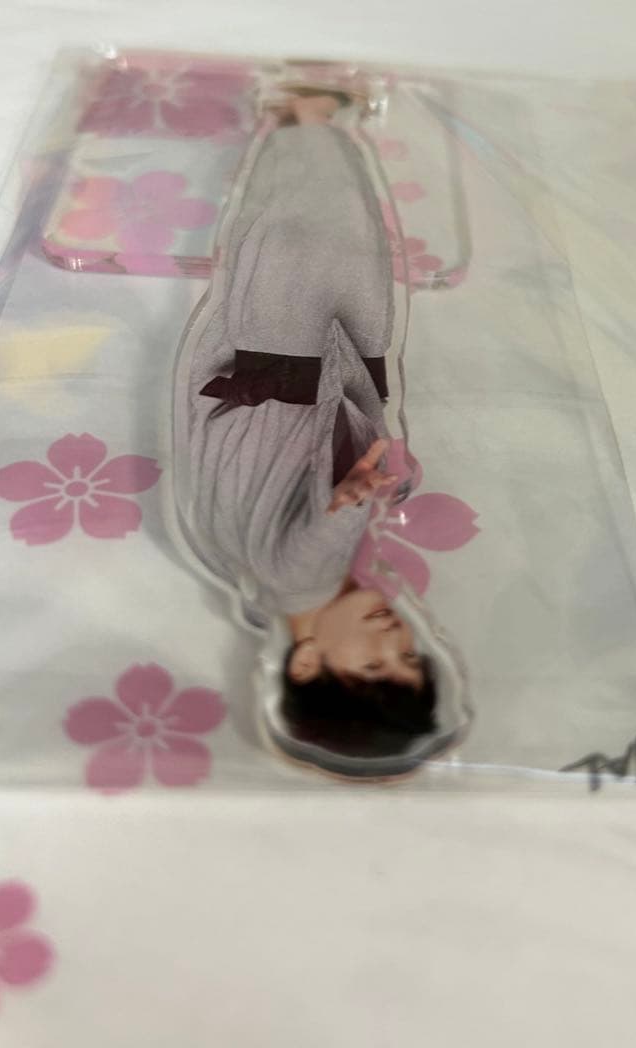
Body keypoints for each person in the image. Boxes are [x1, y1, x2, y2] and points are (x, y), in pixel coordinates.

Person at [178, 85, 443, 777]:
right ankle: (301, 126)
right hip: (318, 373)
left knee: (326, 236)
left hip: (296, 365)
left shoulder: (298, 580)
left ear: (306, 661)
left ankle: (307, 118)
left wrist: (349, 502)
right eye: (408, 656)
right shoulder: (259, 569)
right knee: (300, 236)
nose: (394, 640)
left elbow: (314, 542)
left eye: (374, 665)